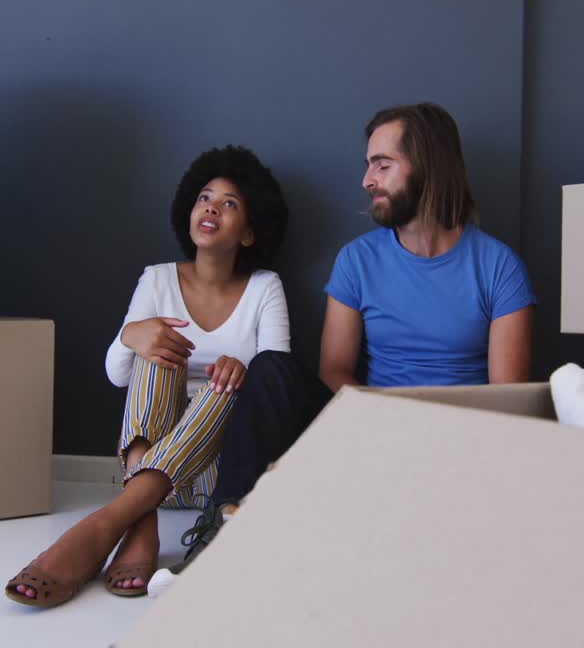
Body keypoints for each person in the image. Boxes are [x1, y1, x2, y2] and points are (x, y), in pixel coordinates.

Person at [149, 102, 535, 592]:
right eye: (368, 164)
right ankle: (218, 536)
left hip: (459, 443)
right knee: (272, 367)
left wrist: (431, 433)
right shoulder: (358, 260)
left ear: (430, 167)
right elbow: (333, 370)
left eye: (383, 164)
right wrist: (386, 422)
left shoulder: (498, 267)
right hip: (370, 426)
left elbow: (507, 398)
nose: (367, 180)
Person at [5, 145, 290, 608]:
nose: (211, 207)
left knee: (230, 382)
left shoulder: (264, 288)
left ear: (250, 233)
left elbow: (277, 387)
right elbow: (118, 375)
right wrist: (131, 336)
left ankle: (107, 522)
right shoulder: (157, 279)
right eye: (204, 197)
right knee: (155, 353)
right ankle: (141, 520)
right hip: (156, 469)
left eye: (230, 203)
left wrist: (247, 371)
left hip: (218, 477)